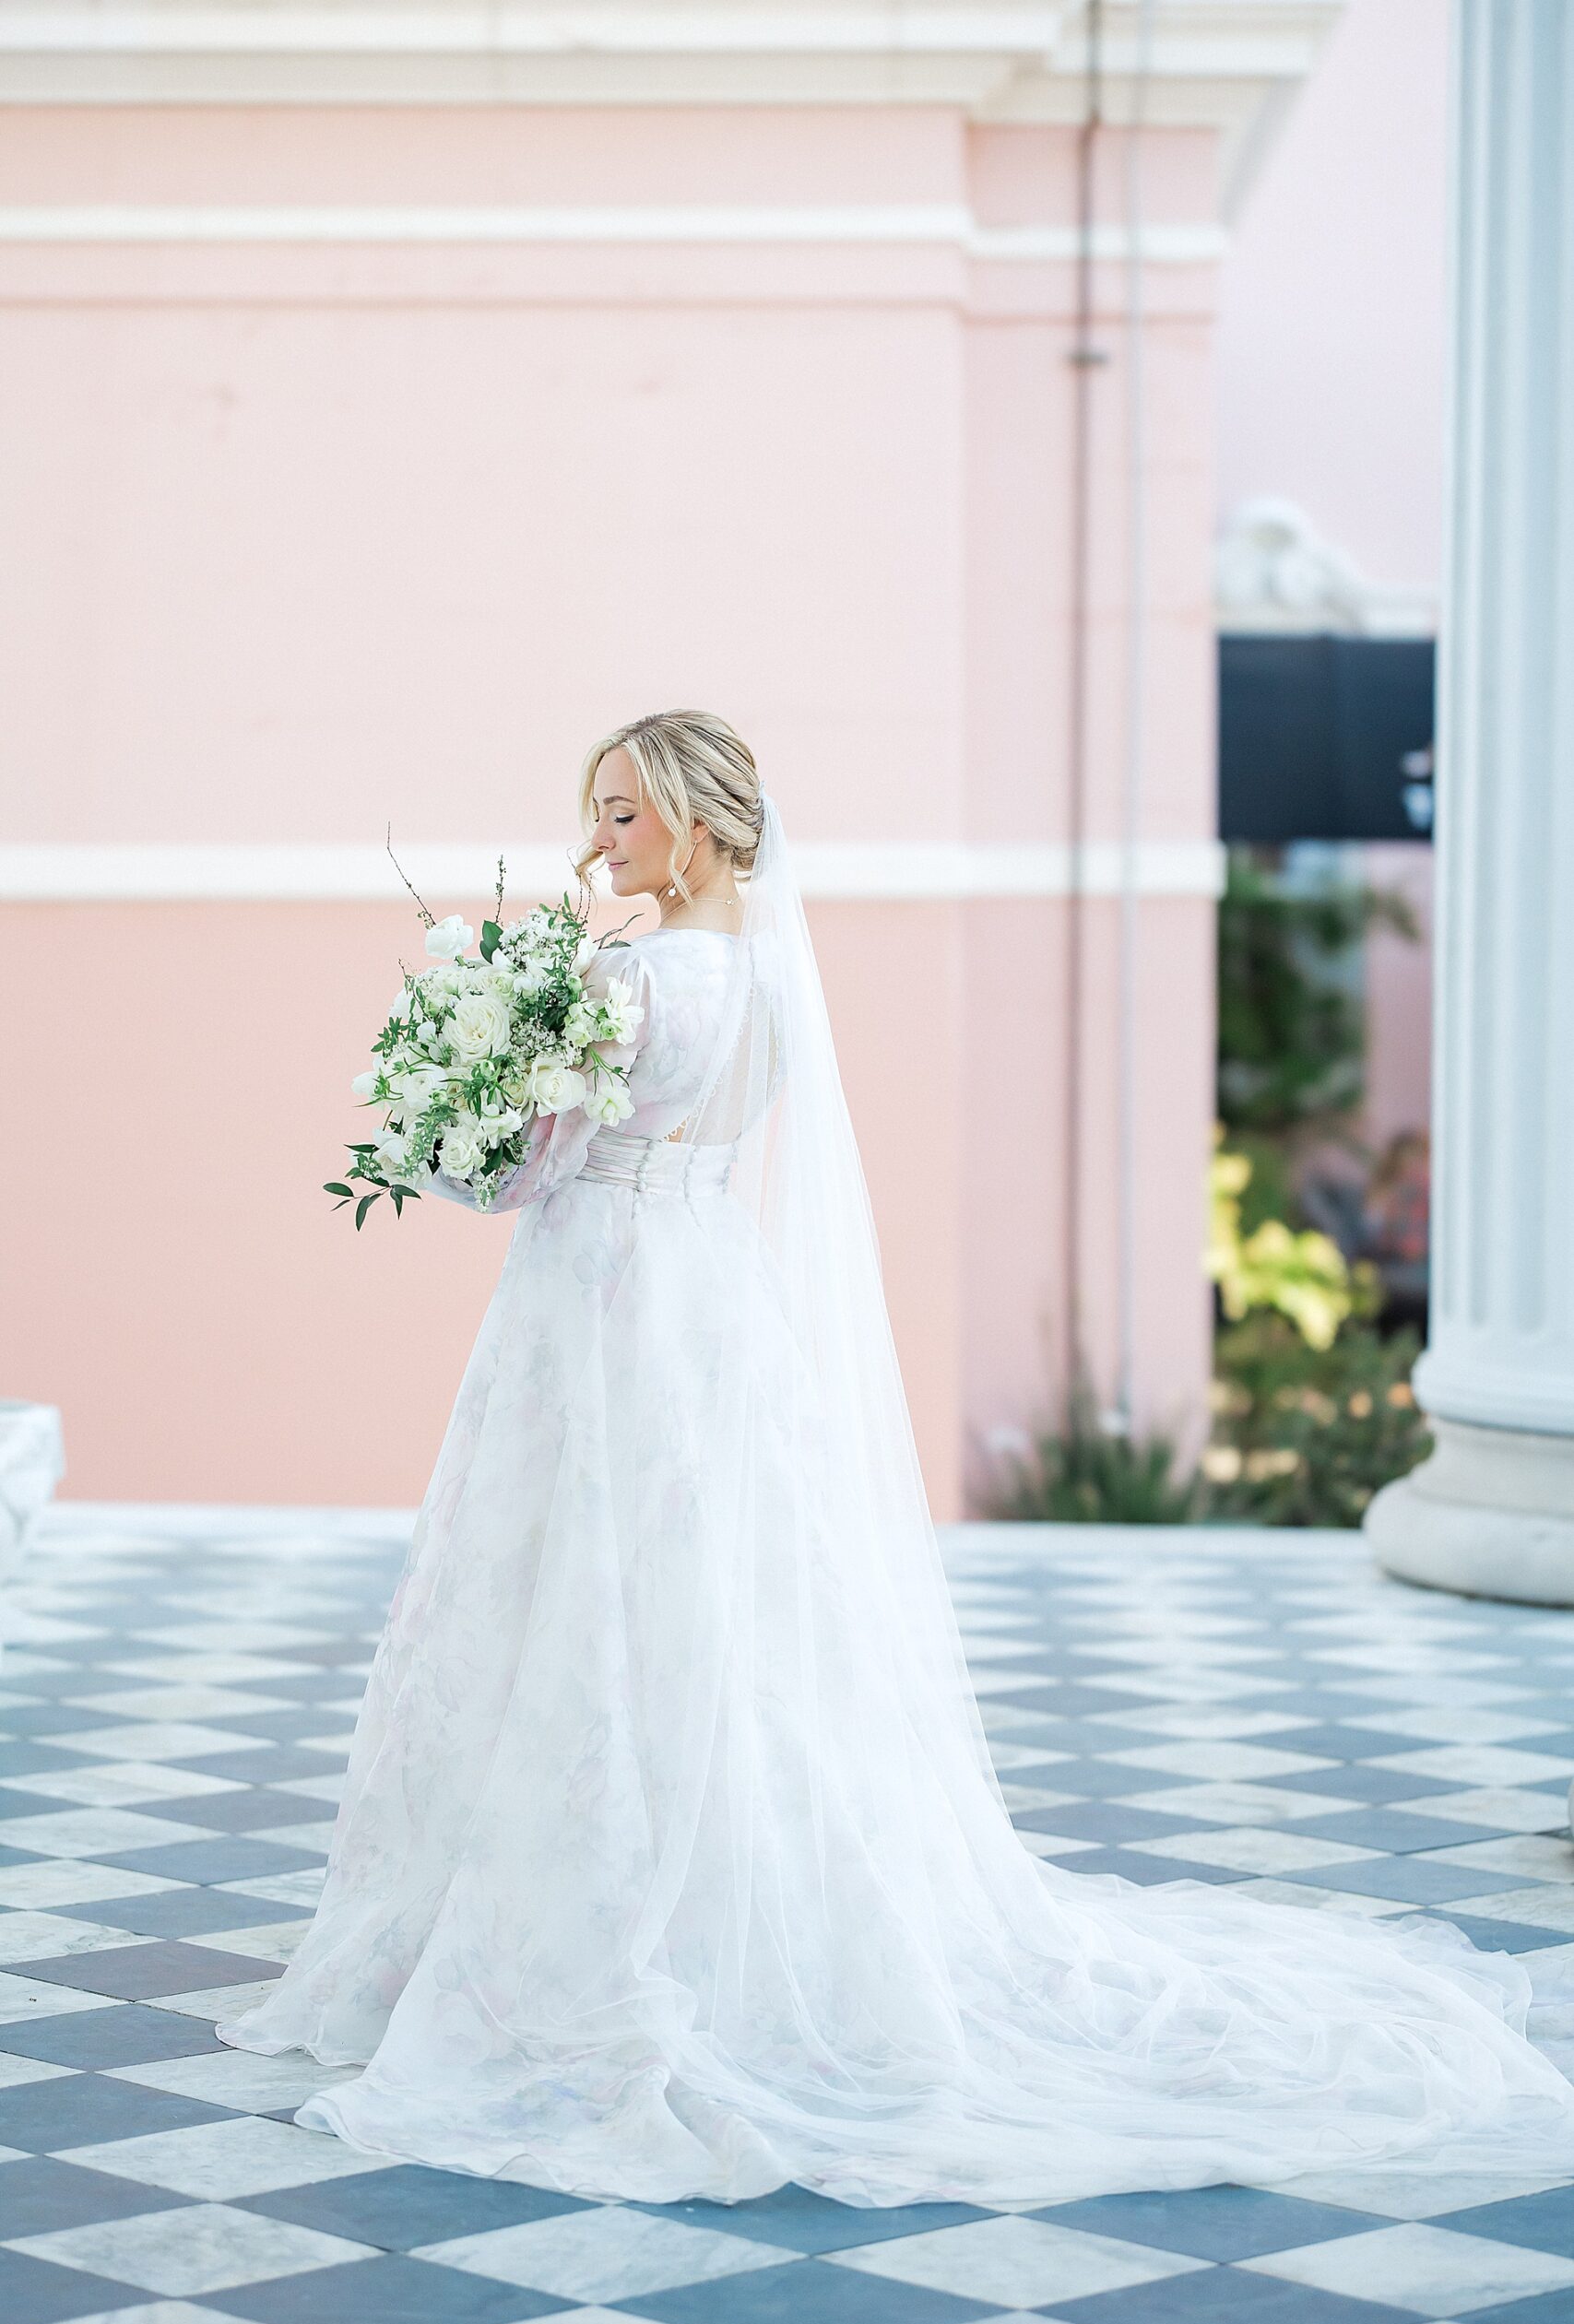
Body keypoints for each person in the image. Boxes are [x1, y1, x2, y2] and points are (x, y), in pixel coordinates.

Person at [218, 711, 1574, 2206]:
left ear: (699, 822)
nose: (593, 842)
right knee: (708, 1605)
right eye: (593, 812)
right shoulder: (774, 985)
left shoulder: (622, 976)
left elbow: (533, 1162)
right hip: (705, 1296)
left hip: (601, 1300)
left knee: (577, 1590)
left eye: (619, 814)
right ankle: (720, 1892)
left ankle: (578, 1936)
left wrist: (444, 1137)